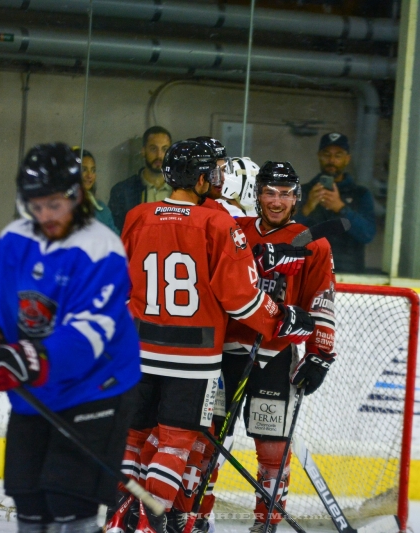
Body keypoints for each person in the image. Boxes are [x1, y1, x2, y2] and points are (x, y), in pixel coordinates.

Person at [118, 140, 315, 533]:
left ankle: (119, 516)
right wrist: (283, 319)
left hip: (139, 349)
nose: (223, 178)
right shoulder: (217, 224)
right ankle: (147, 524)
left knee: (134, 440)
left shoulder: (137, 215)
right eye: (218, 170)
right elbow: (242, 300)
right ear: (202, 176)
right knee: (175, 444)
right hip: (193, 356)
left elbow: (121, 284)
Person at [0, 143, 142, 533]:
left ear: (76, 196)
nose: (44, 215)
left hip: (97, 387)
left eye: (54, 204)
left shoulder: (102, 247)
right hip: (38, 387)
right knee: (28, 499)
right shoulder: (14, 238)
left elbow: (88, 333)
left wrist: (22, 359)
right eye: (35, 204)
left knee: (68, 504)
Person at [222, 161, 337, 533]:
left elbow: (322, 298)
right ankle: (191, 515)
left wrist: (320, 354)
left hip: (276, 353)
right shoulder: (236, 231)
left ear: (296, 198)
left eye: (285, 193)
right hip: (224, 352)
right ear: (257, 194)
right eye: (270, 192)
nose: (276, 201)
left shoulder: (313, 242)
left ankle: (266, 522)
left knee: (272, 447)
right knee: (207, 441)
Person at [296, 132, 375, 273]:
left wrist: (341, 208)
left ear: (347, 159)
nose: (331, 160)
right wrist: (307, 209)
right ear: (319, 156)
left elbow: (367, 235)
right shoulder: (303, 191)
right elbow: (286, 236)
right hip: (308, 272)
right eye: (326, 154)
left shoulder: (361, 194)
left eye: (338, 155)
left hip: (349, 276)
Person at [109, 126, 173, 233]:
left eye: (165, 149)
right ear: (143, 151)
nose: (159, 155)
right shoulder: (123, 191)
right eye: (153, 149)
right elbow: (116, 234)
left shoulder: (182, 191)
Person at [73, 146, 117, 233]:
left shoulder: (102, 210)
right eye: (84, 169)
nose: (89, 175)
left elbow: (114, 240)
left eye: (93, 170)